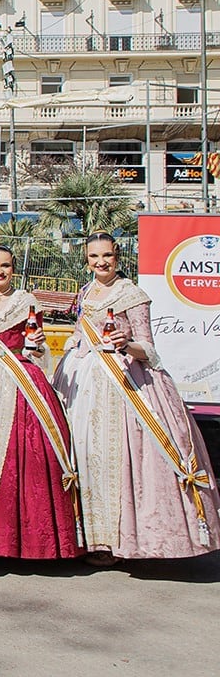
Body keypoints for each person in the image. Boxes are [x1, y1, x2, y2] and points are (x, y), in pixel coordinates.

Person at [53, 232, 219, 560]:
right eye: (93, 257)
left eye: (107, 256)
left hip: (124, 383)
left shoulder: (132, 294)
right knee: (85, 459)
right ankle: (91, 538)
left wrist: (125, 345)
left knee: (124, 461)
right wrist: (73, 347)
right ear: (86, 260)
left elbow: (149, 349)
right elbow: (79, 331)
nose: (100, 263)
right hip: (84, 384)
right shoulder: (86, 291)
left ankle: (121, 543)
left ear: (118, 256)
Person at [0, 243, 83, 560]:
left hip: (17, 378)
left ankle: (22, 539)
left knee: (24, 458)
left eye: (5, 266)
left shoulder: (26, 300)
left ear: (14, 268)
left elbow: (34, 347)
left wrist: (36, 346)